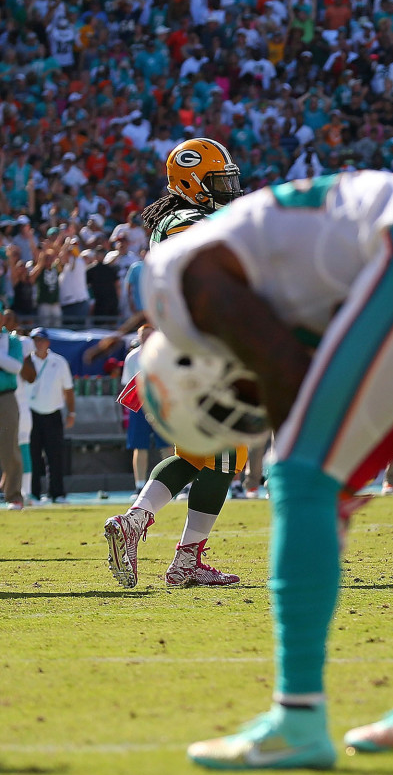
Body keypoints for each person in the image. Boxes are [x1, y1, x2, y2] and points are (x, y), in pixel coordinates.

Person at [135, 171, 393, 769]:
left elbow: (285, 372)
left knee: (299, 471)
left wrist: (326, 476)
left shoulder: (170, 276)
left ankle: (297, 717)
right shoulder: (253, 261)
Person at [103, 138, 248, 589]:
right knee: (227, 456)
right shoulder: (183, 222)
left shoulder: (191, 217)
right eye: (217, 180)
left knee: (196, 456)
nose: (228, 188)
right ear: (190, 180)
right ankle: (186, 561)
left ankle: (136, 522)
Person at [28, 328, 75, 504]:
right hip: (31, 412)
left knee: (55, 455)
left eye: (41, 340)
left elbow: (68, 389)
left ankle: (57, 493)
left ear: (48, 342)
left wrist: (71, 412)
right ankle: (33, 493)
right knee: (32, 454)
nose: (38, 343)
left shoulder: (59, 362)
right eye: (36, 340)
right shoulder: (26, 361)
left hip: (53, 413)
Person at [120, 324, 168, 495]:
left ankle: (172, 483)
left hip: (160, 405)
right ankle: (140, 485)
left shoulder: (162, 355)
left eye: (149, 335)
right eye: (143, 335)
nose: (146, 338)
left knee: (168, 445)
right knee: (140, 446)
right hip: (139, 407)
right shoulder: (132, 357)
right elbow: (127, 385)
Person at [0, 310, 34, 509]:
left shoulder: (11, 340)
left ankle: (14, 495)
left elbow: (15, 367)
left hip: (6, 397)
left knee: (10, 446)